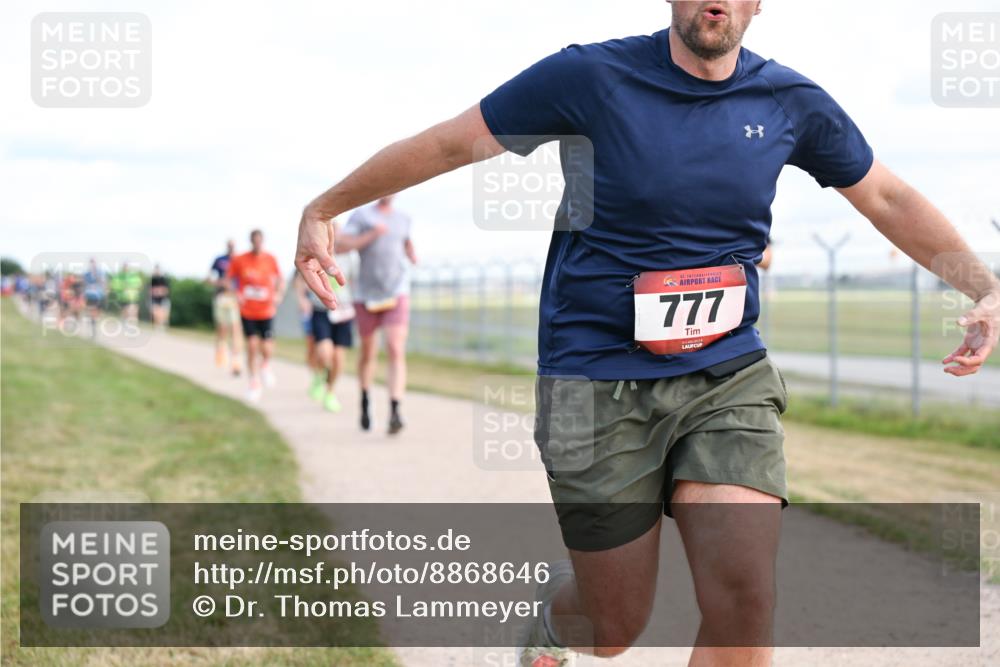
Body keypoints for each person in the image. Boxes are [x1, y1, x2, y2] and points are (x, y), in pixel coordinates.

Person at [293, 2, 1000, 664]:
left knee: (745, 595)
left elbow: (887, 195)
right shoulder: (590, 77)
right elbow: (452, 142)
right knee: (612, 627)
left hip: (726, 376)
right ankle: (550, 625)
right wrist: (327, 207)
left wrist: (984, 285)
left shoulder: (790, 102)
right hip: (594, 380)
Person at [336, 196, 415, 434]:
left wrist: (412, 253)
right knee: (368, 352)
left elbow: (405, 243)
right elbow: (340, 245)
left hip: (396, 290)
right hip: (366, 295)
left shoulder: (404, 218)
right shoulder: (361, 216)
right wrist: (371, 235)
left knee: (394, 348)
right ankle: (365, 399)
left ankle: (395, 410)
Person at [294, 240, 356, 413]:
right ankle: (319, 377)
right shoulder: (317, 254)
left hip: (343, 311)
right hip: (321, 309)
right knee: (324, 352)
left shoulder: (351, 258)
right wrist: (302, 299)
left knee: (338, 357)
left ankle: (330, 392)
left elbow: (355, 282)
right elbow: (300, 279)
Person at [227, 229, 285, 402]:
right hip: (248, 310)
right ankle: (254, 382)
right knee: (252, 345)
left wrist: (278, 294)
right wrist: (236, 293)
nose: (257, 244)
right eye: (255, 241)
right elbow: (229, 279)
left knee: (266, 347)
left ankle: (265, 365)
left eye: (260, 241)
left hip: (266, 309)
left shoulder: (270, 259)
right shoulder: (240, 259)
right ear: (251, 242)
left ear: (263, 241)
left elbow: (280, 279)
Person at [208, 241, 243, 375]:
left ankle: (236, 361)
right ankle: (221, 350)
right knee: (222, 328)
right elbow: (209, 277)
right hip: (221, 297)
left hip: (234, 298)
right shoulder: (219, 260)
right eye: (229, 246)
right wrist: (220, 283)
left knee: (235, 328)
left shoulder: (240, 260)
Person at [82, 259, 107, 337]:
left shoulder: (100, 273)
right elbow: (84, 284)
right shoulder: (86, 274)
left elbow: (104, 282)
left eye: (93, 264)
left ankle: (93, 321)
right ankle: (93, 326)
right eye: (91, 264)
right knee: (92, 310)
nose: (92, 265)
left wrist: (105, 291)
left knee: (97, 311)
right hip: (90, 295)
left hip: (99, 295)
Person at [150, 264, 171, 330]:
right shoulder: (152, 279)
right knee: (156, 313)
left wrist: (157, 291)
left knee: (163, 315)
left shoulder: (164, 279)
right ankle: (158, 328)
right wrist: (158, 291)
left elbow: (165, 291)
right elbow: (151, 291)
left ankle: (162, 327)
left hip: (163, 299)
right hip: (155, 299)